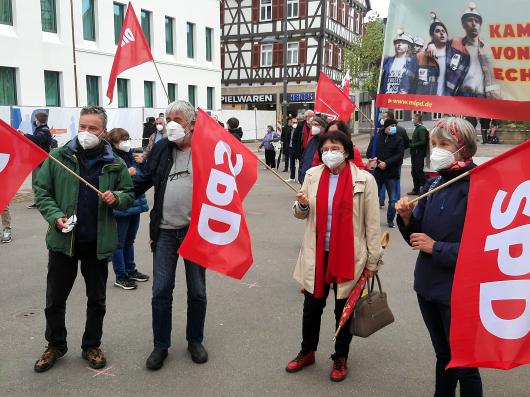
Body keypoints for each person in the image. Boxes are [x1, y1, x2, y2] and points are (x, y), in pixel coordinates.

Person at [32, 106, 134, 373]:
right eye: (82, 126)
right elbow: (42, 191)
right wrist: (55, 216)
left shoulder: (115, 163)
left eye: (93, 128)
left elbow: (128, 195)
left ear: (103, 131)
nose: (86, 133)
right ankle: (55, 345)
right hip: (63, 241)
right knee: (55, 299)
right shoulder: (57, 156)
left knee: (97, 299)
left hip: (97, 243)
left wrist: (117, 198)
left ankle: (91, 344)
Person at [286, 128, 382, 382]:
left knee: (344, 311)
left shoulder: (363, 179)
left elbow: (372, 224)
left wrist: (373, 261)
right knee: (311, 307)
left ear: (347, 152)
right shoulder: (312, 175)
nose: (330, 154)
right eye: (325, 149)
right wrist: (302, 205)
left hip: (349, 255)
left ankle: (341, 357)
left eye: (335, 149)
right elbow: (300, 212)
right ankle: (307, 351)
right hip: (316, 255)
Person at [396, 117, 482, 396]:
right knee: (443, 356)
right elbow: (415, 237)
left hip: (459, 291)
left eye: (443, 144)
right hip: (427, 287)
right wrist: (407, 218)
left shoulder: (480, 187)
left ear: (463, 148)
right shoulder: (433, 185)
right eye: (434, 144)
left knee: (465, 364)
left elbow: (483, 249)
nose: (436, 151)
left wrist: (438, 248)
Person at [133, 101, 208, 370]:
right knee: (161, 290)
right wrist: (120, 195)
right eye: (169, 118)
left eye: (178, 119)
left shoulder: (207, 150)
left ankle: (195, 340)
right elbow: (144, 179)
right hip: (164, 231)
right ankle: (160, 345)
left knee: (197, 291)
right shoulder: (163, 148)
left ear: (192, 123)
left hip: (196, 233)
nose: (171, 123)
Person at [106, 128, 150, 290]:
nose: (126, 142)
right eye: (121, 140)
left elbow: (145, 178)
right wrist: (126, 173)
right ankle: (121, 275)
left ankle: (131, 270)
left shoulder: (132, 156)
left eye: (127, 138)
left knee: (130, 241)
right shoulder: (110, 159)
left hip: (135, 203)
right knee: (119, 243)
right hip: (121, 206)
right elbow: (108, 183)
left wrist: (143, 163)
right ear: (113, 143)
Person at [366, 118, 405, 228]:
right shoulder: (376, 138)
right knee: (373, 197)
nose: (394, 128)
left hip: (391, 173)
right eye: (391, 125)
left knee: (393, 199)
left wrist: (386, 163)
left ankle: (390, 219)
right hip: (377, 173)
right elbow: (370, 153)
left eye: (395, 125)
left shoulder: (398, 139)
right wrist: (378, 163)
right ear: (386, 126)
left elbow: (399, 155)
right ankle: (370, 219)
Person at [416, 18, 449, 96]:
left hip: (447, 103)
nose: (441, 33)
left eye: (443, 31)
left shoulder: (453, 57)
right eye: (437, 31)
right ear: (432, 36)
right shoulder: (421, 56)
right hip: (427, 102)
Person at [26, 112, 53, 209]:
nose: (34, 121)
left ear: (39, 120)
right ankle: (37, 201)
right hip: (38, 160)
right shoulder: (41, 129)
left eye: (36, 119)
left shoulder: (44, 130)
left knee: (38, 182)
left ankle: (39, 202)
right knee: (37, 181)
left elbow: (37, 140)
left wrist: (25, 135)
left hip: (40, 161)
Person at [298, 116, 328, 184]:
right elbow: (304, 158)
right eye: (312, 124)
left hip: (317, 180)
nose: (313, 127)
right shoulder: (312, 140)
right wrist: (301, 175)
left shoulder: (327, 142)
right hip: (306, 178)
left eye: (316, 125)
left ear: (324, 127)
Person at [408, 113, 429, 195]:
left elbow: (423, 142)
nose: (413, 120)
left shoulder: (421, 129)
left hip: (419, 154)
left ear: (418, 120)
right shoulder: (417, 128)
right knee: (414, 172)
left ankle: (425, 189)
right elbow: (417, 140)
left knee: (419, 172)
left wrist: (412, 145)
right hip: (415, 154)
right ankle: (416, 189)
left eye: (414, 119)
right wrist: (409, 141)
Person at [284, 117, 299, 183]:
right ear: (291, 123)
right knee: (292, 164)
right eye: (293, 122)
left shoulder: (299, 130)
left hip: (297, 149)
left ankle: (299, 178)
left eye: (296, 122)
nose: (295, 124)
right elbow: (286, 139)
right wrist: (287, 146)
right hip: (290, 148)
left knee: (299, 164)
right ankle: (292, 177)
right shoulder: (289, 130)